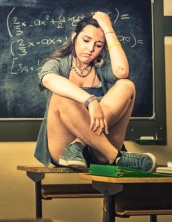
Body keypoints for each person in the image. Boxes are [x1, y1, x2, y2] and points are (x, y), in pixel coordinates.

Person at [34, 11, 156, 172]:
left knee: (126, 85)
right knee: (60, 94)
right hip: (65, 151)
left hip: (98, 149)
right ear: (74, 37)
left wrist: (108, 29)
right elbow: (49, 79)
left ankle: (79, 143)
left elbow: (121, 71)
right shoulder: (56, 64)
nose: (91, 49)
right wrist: (90, 101)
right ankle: (117, 157)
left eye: (98, 45)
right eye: (86, 40)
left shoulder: (101, 69)